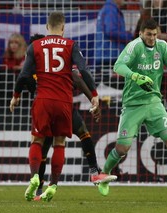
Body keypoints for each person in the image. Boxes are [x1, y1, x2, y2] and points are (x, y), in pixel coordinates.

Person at [9, 12, 115, 202]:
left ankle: (36, 180)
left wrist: (15, 96)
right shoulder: (69, 47)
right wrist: (94, 96)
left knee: (39, 142)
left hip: (43, 102)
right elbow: (80, 72)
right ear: (63, 28)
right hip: (64, 103)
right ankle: (60, 182)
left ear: (47, 27)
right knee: (65, 140)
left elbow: (23, 75)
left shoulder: (35, 50)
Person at [96, 18, 167, 201]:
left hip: (154, 103)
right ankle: (104, 175)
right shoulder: (134, 47)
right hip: (132, 105)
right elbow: (118, 66)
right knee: (122, 149)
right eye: (149, 34)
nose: (152, 38)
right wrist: (135, 76)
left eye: (155, 34)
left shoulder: (162, 47)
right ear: (141, 33)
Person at [26, 33, 102, 196]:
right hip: (63, 106)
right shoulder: (57, 62)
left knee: (42, 148)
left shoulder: (33, 69)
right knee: (82, 133)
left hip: (45, 108)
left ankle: (39, 189)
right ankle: (94, 170)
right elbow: (77, 78)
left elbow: (29, 85)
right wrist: (93, 99)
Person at [94, 0, 133, 85]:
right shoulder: (111, 10)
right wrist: (128, 36)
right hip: (110, 56)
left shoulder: (108, 9)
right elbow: (111, 31)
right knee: (112, 89)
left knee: (106, 90)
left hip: (105, 55)